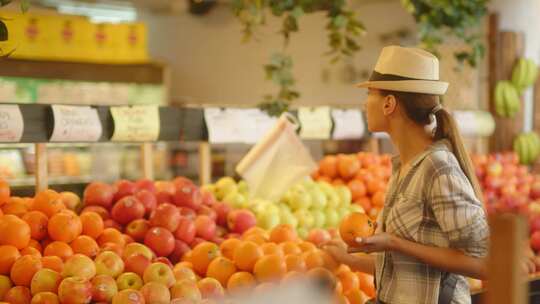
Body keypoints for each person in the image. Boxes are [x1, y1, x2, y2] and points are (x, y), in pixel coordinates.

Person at [323, 46, 489, 304]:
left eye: (369, 94)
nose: (365, 103)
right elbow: (405, 271)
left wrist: (395, 242)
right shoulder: (405, 165)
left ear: (389, 103)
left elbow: (485, 263)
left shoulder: (438, 167)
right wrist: (350, 260)